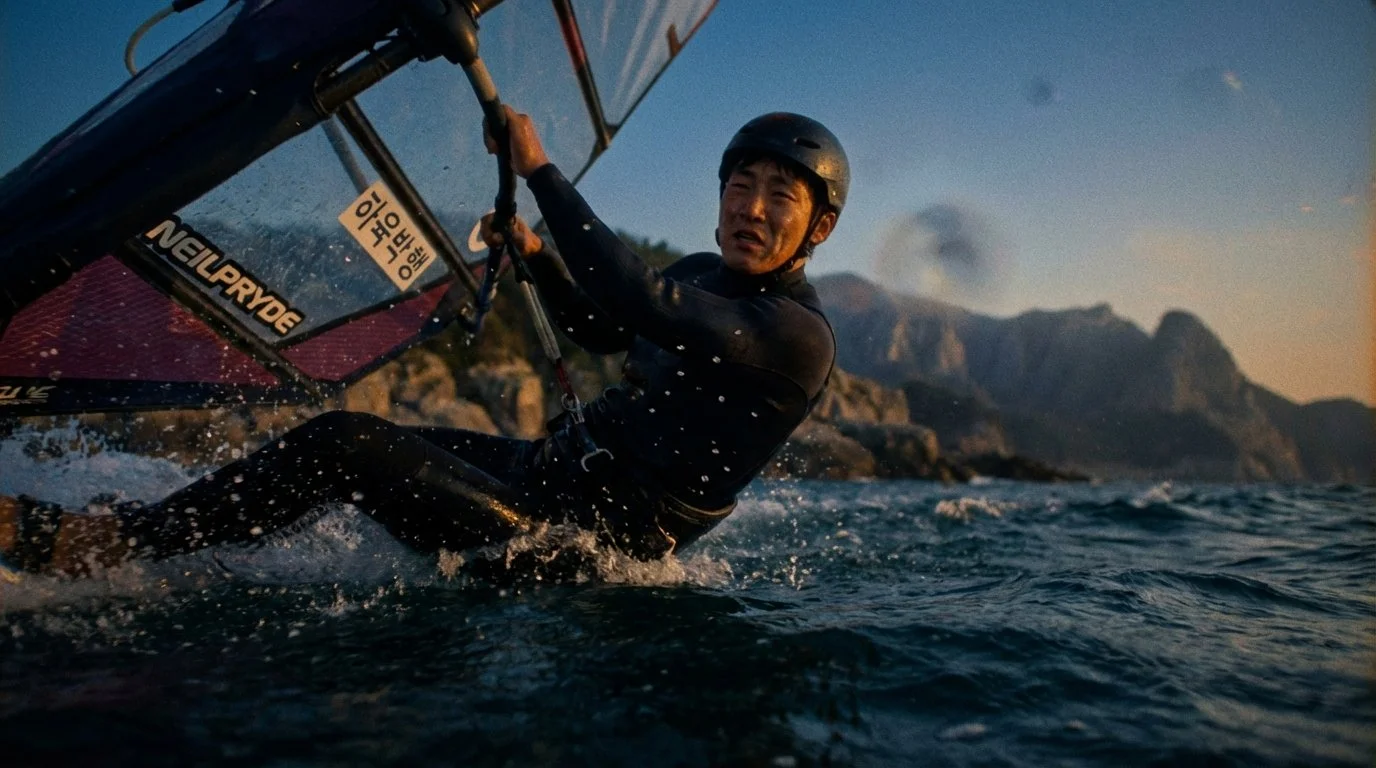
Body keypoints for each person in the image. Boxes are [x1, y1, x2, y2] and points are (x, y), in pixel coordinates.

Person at [0, 109, 849, 579]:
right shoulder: (704, 269)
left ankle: (102, 546)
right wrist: (537, 260)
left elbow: (637, 295)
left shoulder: (796, 337)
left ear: (819, 225)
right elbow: (602, 326)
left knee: (346, 443)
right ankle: (160, 537)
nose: (755, 206)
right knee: (342, 448)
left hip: (587, 549)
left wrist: (544, 171)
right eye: (743, 183)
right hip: (543, 477)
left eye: (783, 194)